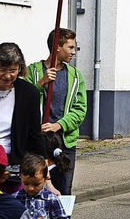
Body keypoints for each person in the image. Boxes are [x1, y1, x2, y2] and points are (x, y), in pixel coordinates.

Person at [0, 42, 44, 193]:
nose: (7, 76)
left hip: (11, 167)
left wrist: (43, 169)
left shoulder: (28, 93)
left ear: (20, 69)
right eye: (2, 70)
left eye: (13, 70)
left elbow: (35, 136)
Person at [26, 28, 87, 196]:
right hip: (38, 142)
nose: (73, 52)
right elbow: (24, 100)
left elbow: (80, 109)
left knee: (63, 190)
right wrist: (41, 83)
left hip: (65, 142)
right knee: (37, 189)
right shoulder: (33, 71)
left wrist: (58, 125)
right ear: (57, 47)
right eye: (70, 47)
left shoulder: (75, 76)